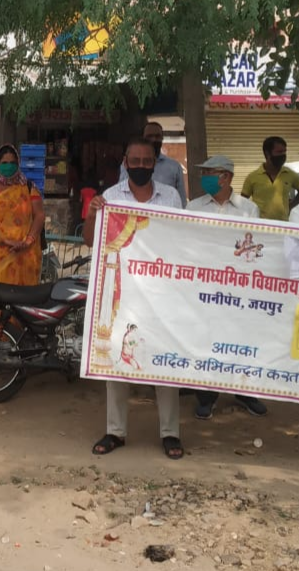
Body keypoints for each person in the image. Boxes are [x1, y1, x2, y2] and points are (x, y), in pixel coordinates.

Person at [84, 137, 185, 460]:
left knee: (163, 361)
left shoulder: (170, 197)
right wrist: (92, 215)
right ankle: (116, 431)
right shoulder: (110, 197)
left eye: (147, 161)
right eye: (135, 161)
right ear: (125, 163)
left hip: (161, 292)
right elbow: (90, 241)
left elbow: (182, 239)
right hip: (121, 292)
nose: (141, 166)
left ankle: (170, 433)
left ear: (155, 163)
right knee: (116, 359)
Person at [183, 155, 268, 418]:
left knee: (239, 339)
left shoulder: (248, 209)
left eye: (211, 173)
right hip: (204, 286)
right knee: (206, 339)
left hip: (238, 288)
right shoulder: (193, 207)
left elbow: (257, 248)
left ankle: (244, 391)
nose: (205, 178)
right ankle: (206, 396)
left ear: (227, 177)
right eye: (204, 173)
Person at [0, 145, 45, 286]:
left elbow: (40, 215)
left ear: (18, 164)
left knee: (23, 302)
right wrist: (6, 241)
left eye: (13, 163)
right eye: (4, 163)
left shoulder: (28, 187)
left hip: (25, 255)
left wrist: (28, 241)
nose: (9, 166)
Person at [240, 136, 299, 220]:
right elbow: (242, 201)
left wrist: (290, 206)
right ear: (268, 153)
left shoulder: (290, 174)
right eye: (279, 152)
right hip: (259, 227)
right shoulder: (252, 177)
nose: (283, 155)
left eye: (284, 152)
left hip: (282, 227)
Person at [118, 122, 188, 201]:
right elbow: (120, 192)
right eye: (149, 136)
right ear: (143, 138)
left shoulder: (174, 167)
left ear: (162, 138)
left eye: (157, 136)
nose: (154, 139)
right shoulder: (129, 164)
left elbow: (181, 201)